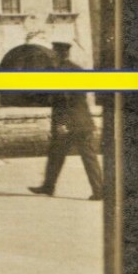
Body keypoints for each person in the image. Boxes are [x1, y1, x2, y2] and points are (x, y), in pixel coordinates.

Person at [29, 43, 103, 200]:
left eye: (54, 52)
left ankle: (49, 187)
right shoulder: (77, 69)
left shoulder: (59, 72)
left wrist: (62, 122)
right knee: (79, 156)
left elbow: (64, 100)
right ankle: (98, 191)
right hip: (82, 120)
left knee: (61, 154)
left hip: (69, 122)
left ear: (58, 54)